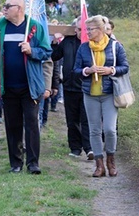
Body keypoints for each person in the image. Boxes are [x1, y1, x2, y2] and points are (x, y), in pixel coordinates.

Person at [0, 0, 52, 174]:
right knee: (12, 125)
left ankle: (33, 163)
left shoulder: (35, 27)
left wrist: (32, 51)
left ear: (19, 8)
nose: (3, 9)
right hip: (7, 86)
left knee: (32, 125)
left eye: (7, 6)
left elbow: (46, 52)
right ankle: (16, 162)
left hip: (30, 86)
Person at [73, 14, 130, 178]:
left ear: (100, 30)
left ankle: (111, 160)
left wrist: (110, 70)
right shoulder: (84, 48)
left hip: (109, 93)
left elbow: (124, 67)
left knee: (110, 129)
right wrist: (87, 71)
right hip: (90, 94)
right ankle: (99, 165)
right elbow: (75, 71)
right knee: (94, 130)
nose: (87, 32)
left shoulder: (115, 46)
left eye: (90, 29)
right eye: (86, 29)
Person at [51, 17, 93, 159]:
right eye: (79, 29)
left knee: (87, 119)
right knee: (72, 119)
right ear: (75, 29)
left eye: (85, 29)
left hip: (88, 87)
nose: (82, 32)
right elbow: (54, 56)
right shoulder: (68, 42)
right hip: (70, 86)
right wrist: (55, 43)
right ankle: (75, 147)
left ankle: (89, 148)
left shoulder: (92, 44)